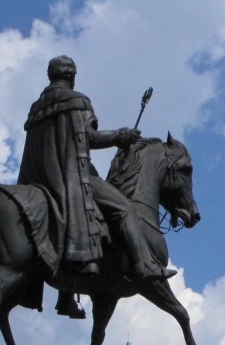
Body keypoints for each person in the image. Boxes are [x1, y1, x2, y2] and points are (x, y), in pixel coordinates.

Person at [18, 54, 174, 313]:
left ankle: (65, 296)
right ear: (72, 76)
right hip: (72, 177)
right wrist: (120, 136)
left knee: (61, 226)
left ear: (51, 76)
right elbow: (87, 138)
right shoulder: (77, 101)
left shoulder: (36, 108)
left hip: (39, 180)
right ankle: (143, 266)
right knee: (124, 209)